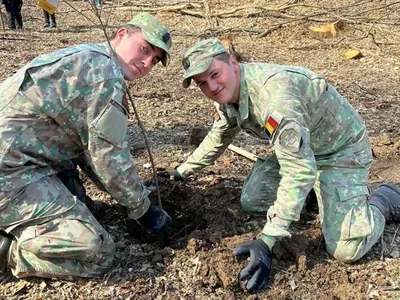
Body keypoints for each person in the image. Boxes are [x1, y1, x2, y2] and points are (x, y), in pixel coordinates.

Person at [159, 38, 400, 292]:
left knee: (346, 249)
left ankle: (382, 200)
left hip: (339, 152)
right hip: (302, 151)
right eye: (202, 84)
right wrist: (181, 172)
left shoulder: (274, 98)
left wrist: (267, 241)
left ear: (232, 62)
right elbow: (219, 135)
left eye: (214, 74)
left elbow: (298, 170)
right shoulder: (228, 93)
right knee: (253, 198)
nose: (212, 86)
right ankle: (317, 195)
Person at [0, 13, 173, 280]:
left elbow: (87, 150)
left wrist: (133, 198)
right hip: (8, 174)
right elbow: (108, 158)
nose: (147, 62)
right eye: (145, 48)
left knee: (84, 204)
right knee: (97, 252)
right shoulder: (106, 77)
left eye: (155, 60)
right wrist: (144, 211)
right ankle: (6, 249)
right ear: (121, 34)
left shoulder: (89, 58)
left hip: (21, 158)